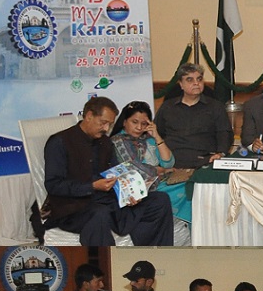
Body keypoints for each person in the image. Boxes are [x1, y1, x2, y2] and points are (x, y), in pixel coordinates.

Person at [43, 96, 174, 246]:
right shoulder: (60, 142)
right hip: (73, 208)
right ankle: (108, 259)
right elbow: (53, 185)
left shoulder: (105, 142)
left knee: (159, 200)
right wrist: (92, 186)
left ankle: (152, 254)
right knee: (99, 213)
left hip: (107, 201)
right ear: (89, 116)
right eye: (103, 123)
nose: (106, 129)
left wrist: (129, 194)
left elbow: (116, 174)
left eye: (110, 124)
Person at [109, 100, 192, 225]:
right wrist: (161, 170)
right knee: (186, 190)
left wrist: (157, 136)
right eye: (134, 122)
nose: (139, 127)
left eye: (144, 124)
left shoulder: (148, 139)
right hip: (140, 187)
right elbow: (134, 169)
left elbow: (168, 163)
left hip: (160, 181)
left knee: (191, 185)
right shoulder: (118, 141)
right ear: (124, 121)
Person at [154, 63, 233, 168]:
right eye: (190, 80)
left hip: (204, 162)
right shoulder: (168, 107)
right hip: (172, 162)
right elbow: (157, 133)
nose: (196, 83)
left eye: (199, 79)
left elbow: (225, 134)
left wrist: (221, 154)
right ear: (181, 84)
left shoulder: (215, 107)